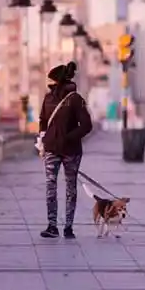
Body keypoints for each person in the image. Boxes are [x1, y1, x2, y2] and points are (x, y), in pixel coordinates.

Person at [37, 61, 93, 239]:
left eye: (50, 80)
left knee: (70, 188)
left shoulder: (75, 99)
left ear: (57, 80)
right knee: (51, 186)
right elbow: (43, 121)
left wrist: (68, 137)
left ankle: (68, 227)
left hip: (71, 151)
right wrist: (42, 139)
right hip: (52, 149)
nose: (48, 83)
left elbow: (87, 125)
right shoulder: (48, 98)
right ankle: (52, 226)